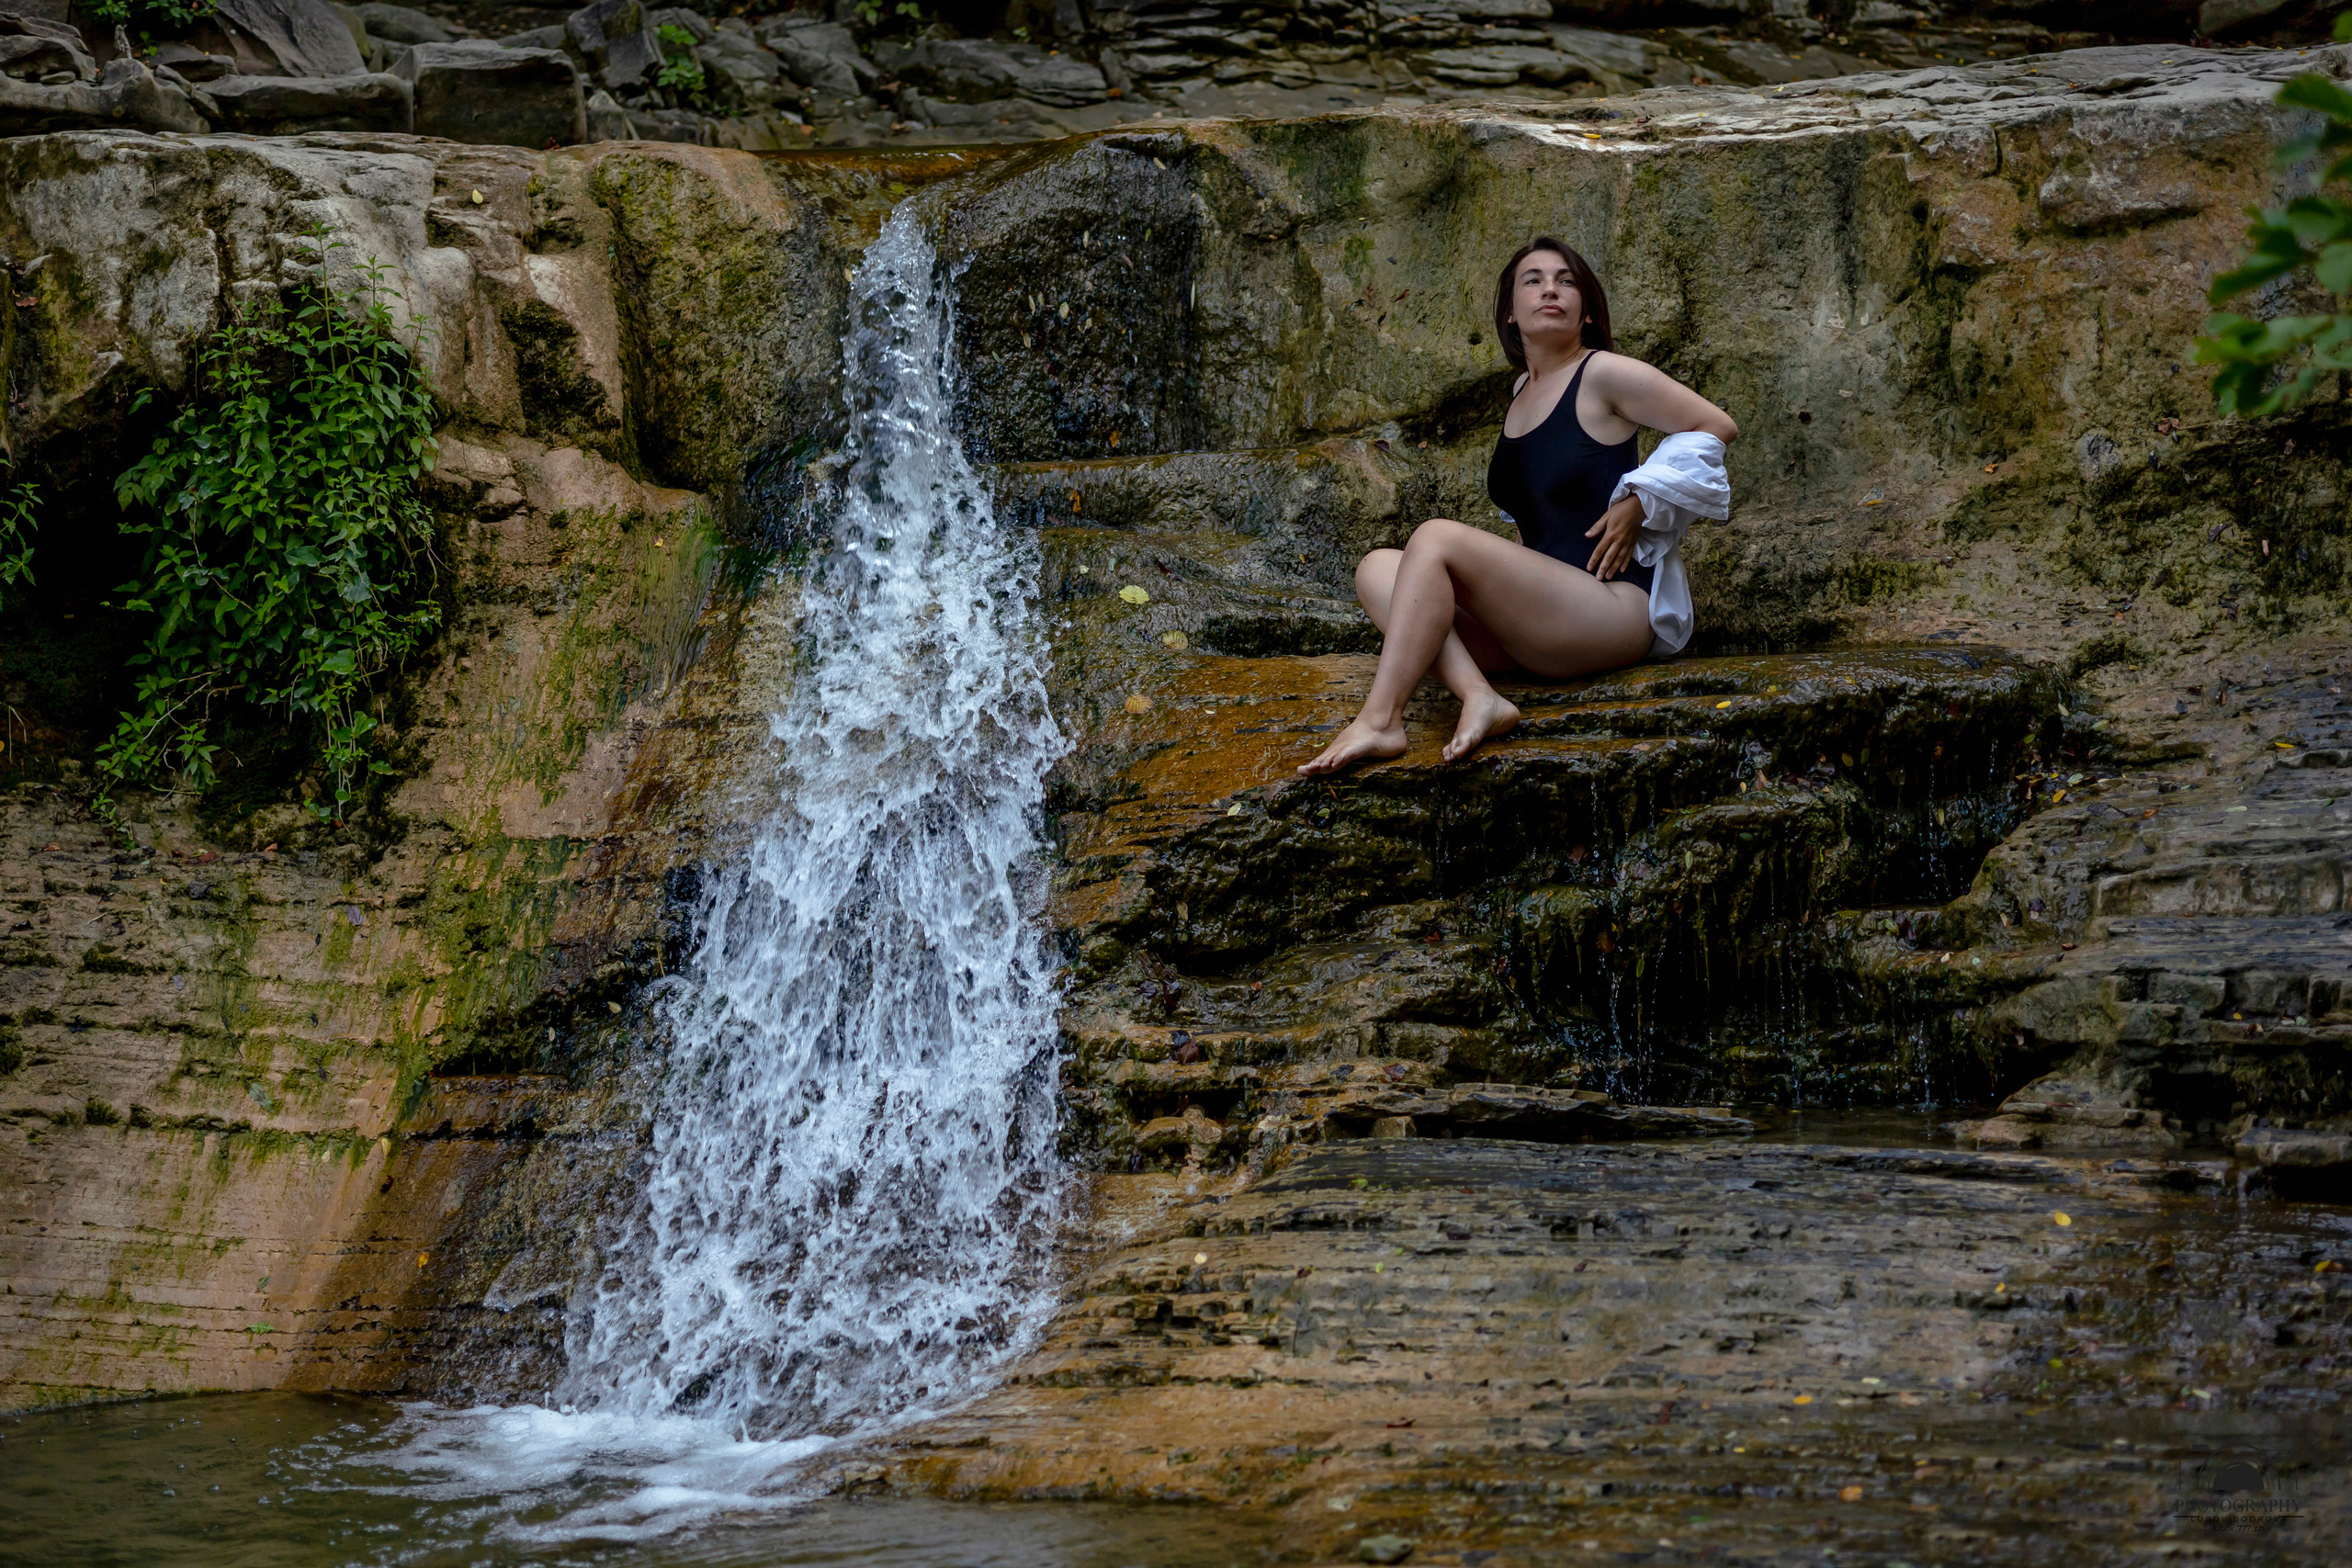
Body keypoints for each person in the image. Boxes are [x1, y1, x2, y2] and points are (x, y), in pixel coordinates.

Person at [1299, 238, 1739, 775]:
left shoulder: (1603, 373)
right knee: (1377, 568)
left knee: (1435, 536)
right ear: (1510, 312)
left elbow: (1715, 426)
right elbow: (1536, 526)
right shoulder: (1520, 393)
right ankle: (1479, 696)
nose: (1550, 289)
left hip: (1610, 608)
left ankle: (1381, 720)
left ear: (1587, 311)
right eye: (1534, 280)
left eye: (1566, 281)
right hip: (1540, 621)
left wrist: (1642, 499)